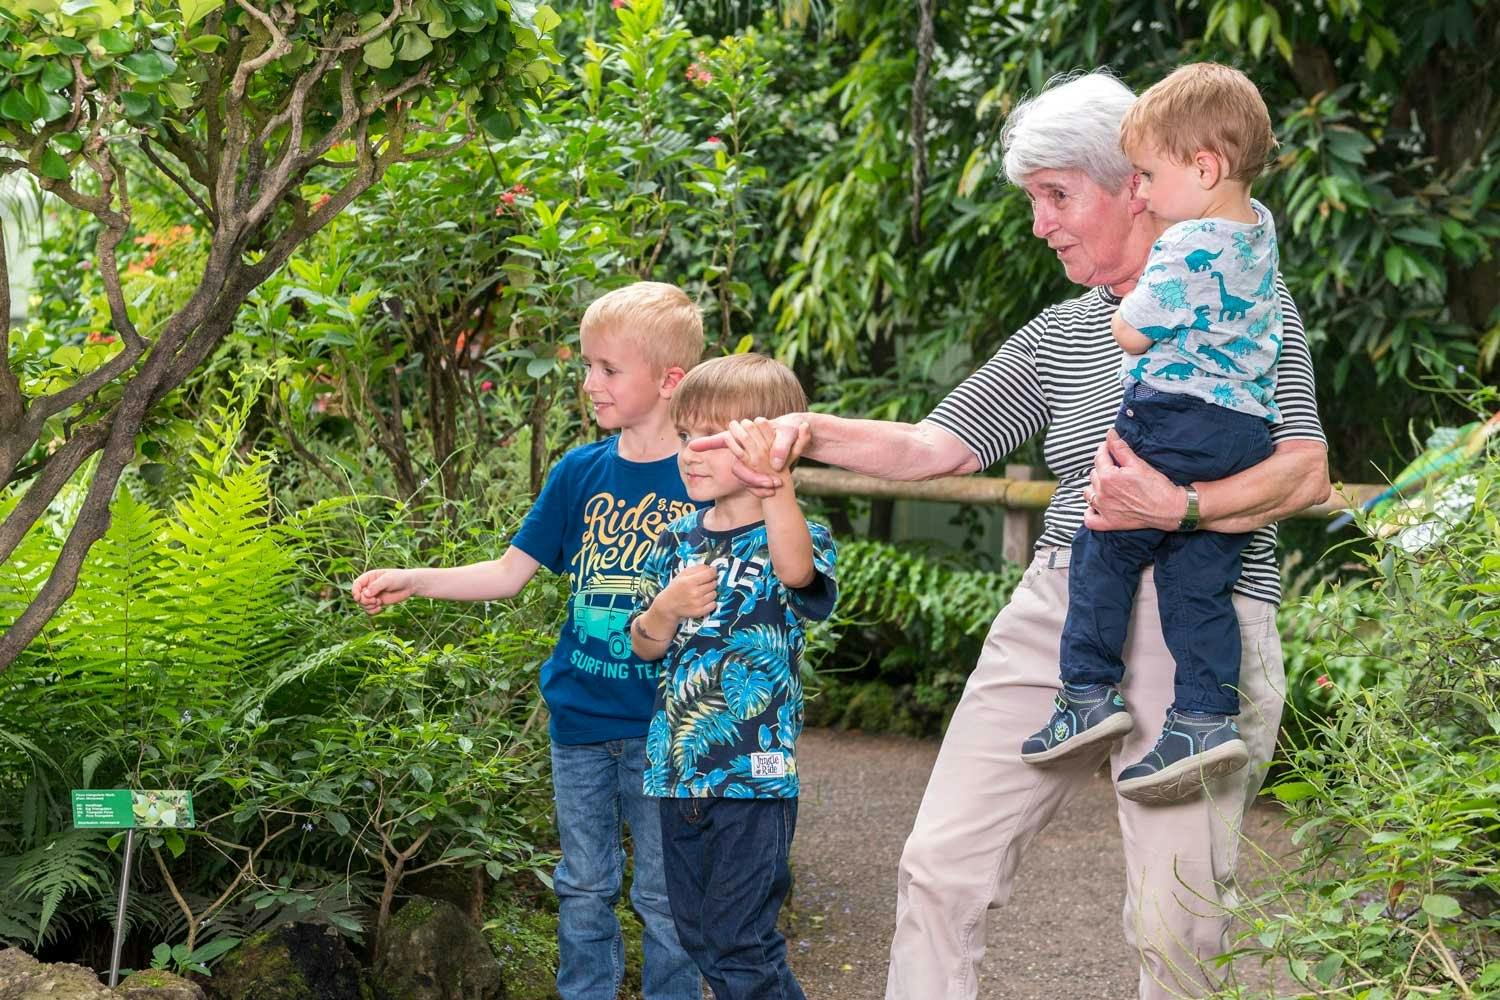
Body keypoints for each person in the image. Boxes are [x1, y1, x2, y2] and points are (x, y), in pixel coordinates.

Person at [696, 70, 1331, 999]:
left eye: (1056, 196)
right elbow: (932, 445)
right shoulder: (1059, 332)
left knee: (1177, 921)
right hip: (1062, 603)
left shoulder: (1241, 303)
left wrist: (1183, 509)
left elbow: (1305, 472)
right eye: (1034, 200)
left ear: (1135, 183)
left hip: (1195, 614)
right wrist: (810, 430)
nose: (1041, 223)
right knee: (940, 864)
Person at [351, 281, 704, 1000]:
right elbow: (510, 573)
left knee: (669, 897)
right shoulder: (579, 472)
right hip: (578, 721)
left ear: (670, 380)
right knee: (583, 885)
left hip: (672, 728)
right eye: (586, 365)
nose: (590, 382)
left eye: (609, 369)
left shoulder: (705, 475)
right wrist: (414, 578)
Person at [1020, 62, 1286, 805]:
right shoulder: (1259, 234)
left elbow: (1132, 334)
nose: (1138, 191)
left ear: (1204, 167)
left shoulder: (1185, 244)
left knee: (1101, 541)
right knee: (1196, 582)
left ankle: (1085, 694)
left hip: (1176, 415)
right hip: (1242, 431)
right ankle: (1204, 716)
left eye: (1144, 175)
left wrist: (1126, 310)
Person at [629, 353, 838, 1000]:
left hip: (754, 778)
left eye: (713, 440)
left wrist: (777, 489)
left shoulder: (793, 531)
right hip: (675, 772)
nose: (690, 453)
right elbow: (642, 645)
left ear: (768, 444)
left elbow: (799, 574)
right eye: (685, 436)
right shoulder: (673, 539)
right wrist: (663, 610)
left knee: (739, 942)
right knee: (697, 935)